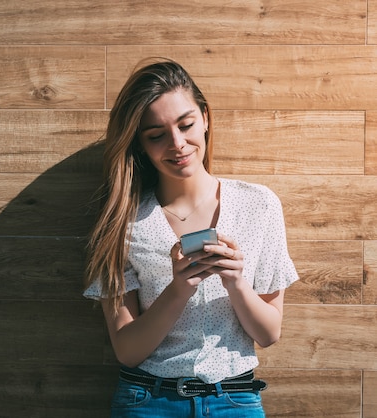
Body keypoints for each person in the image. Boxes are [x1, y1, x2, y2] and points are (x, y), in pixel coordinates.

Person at [83, 58, 299, 417]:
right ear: (139, 144)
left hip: (235, 399)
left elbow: (269, 333)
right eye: (156, 135)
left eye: (186, 125)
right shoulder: (121, 221)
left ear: (206, 118)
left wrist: (236, 283)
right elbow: (127, 350)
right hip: (148, 402)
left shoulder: (259, 205)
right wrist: (179, 288)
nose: (178, 144)